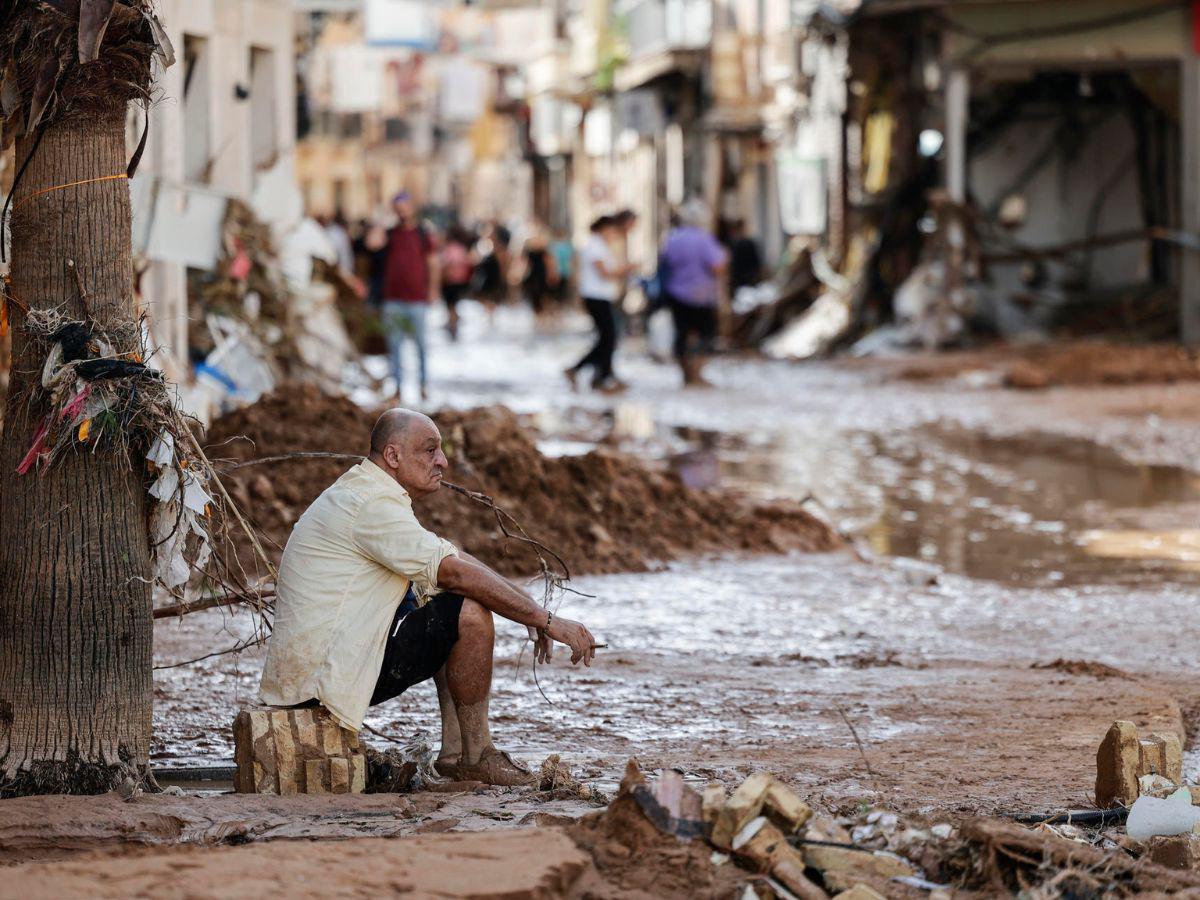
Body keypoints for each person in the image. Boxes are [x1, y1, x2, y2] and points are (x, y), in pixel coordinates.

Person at [260, 409, 598, 786]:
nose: (443, 461)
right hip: (322, 681)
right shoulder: (370, 504)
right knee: (467, 611)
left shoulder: (368, 493)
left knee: (445, 598)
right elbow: (455, 572)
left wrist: (534, 613)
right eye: (430, 450)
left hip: (318, 672)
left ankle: (454, 754)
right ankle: (475, 754)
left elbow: (454, 559)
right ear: (393, 456)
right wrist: (544, 621)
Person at [374, 192, 438, 401]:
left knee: (420, 345)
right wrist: (383, 219)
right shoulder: (390, 233)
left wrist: (433, 289)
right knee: (394, 346)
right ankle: (398, 387)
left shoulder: (423, 233)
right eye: (397, 207)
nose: (402, 211)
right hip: (393, 299)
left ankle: (423, 385)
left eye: (404, 206)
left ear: (412, 207)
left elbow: (433, 263)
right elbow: (372, 243)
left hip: (417, 299)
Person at [661, 199, 728, 386]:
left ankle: (685, 375)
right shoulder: (703, 239)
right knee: (706, 334)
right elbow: (717, 266)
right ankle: (697, 374)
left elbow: (666, 263)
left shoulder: (673, 238)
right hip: (701, 295)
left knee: (681, 334)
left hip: (675, 292)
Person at [564, 216, 633, 393]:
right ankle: (581, 369)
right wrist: (625, 270)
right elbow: (604, 272)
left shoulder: (601, 246)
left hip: (601, 296)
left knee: (608, 338)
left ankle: (603, 375)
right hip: (595, 297)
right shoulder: (594, 246)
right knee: (607, 338)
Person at [440, 224, 473, 341]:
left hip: (450, 282)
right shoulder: (461, 248)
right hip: (459, 281)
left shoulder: (449, 249)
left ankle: (452, 324)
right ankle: (452, 322)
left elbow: (446, 264)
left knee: (451, 306)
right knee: (453, 305)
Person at [727, 218, 763, 294]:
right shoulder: (749, 243)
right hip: (750, 276)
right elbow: (756, 261)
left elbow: (733, 262)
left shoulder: (734, 244)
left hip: (740, 278)